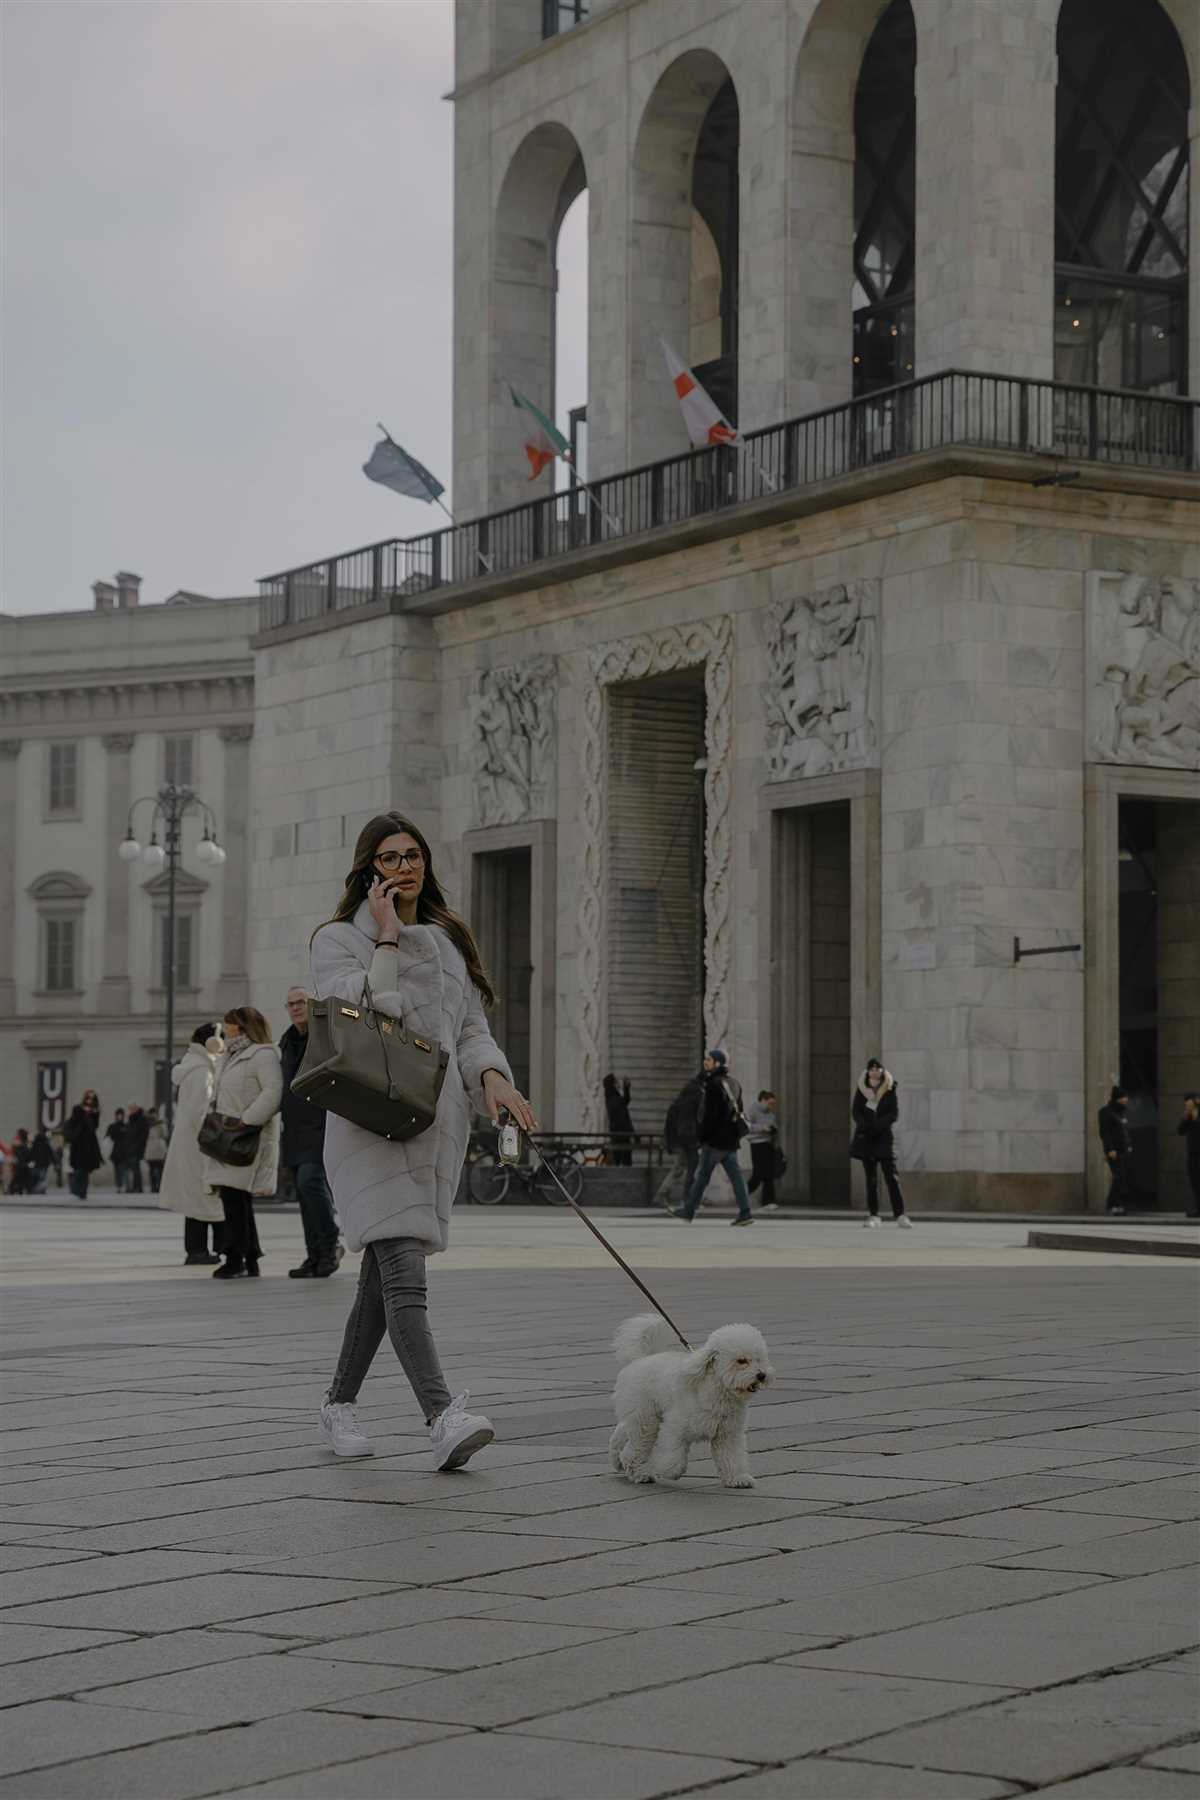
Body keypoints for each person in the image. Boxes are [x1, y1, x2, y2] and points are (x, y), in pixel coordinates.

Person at [311, 811, 534, 1470]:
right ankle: (442, 1415)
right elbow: (367, 1010)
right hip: (368, 1123)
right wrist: (385, 938)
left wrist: (494, 1079)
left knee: (381, 1281)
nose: (403, 866)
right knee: (404, 1274)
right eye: (388, 857)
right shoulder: (337, 940)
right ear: (367, 869)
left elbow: (470, 1030)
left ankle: (338, 1404)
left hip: (434, 1125)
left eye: (412, 855)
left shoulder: (447, 941)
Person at [202, 1008, 282, 1279]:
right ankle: (249, 1257)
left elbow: (273, 1092)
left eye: (230, 1023)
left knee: (235, 1198)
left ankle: (236, 1259)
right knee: (236, 1198)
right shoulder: (229, 1054)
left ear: (242, 1026)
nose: (225, 1027)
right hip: (226, 1134)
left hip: (246, 1136)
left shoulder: (263, 1054)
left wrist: (247, 1120)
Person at [279, 986, 343, 1278]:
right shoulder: (286, 1042)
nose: (295, 1008)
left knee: (311, 1182)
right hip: (294, 1128)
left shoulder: (324, 1036)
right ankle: (314, 1255)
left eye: (300, 1002)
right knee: (303, 1194)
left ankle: (331, 1243)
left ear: (311, 1005)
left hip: (321, 1123)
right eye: (290, 1004)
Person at [159, 1025, 225, 1264]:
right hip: (201, 1143)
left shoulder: (193, 1065)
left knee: (196, 1199)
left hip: (190, 1143)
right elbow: (203, 1109)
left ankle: (198, 1250)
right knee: (207, 1197)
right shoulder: (201, 1070)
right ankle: (201, 1251)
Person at [669, 1049, 753, 1226]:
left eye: (709, 1059)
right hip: (730, 1141)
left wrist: (702, 1137)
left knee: (701, 1177)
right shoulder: (734, 1083)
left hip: (714, 1142)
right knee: (736, 1178)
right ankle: (745, 1212)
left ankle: (688, 1211)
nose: (705, 1062)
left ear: (717, 1063)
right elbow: (738, 1111)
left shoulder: (713, 1085)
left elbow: (709, 1116)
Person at [851, 1059, 912, 1228]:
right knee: (870, 1179)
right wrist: (866, 1126)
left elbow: (894, 1114)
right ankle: (874, 1215)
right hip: (867, 1138)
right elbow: (856, 1112)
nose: (875, 1071)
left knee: (892, 1177)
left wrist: (878, 1125)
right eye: (871, 1068)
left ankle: (900, 1215)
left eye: (878, 1068)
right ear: (868, 1072)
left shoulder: (890, 1089)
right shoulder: (862, 1090)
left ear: (882, 1071)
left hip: (884, 1138)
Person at [655, 1069, 703, 1208]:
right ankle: (687, 1199)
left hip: (682, 1138)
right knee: (691, 1167)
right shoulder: (697, 1095)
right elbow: (696, 1119)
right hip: (690, 1138)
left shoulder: (683, 1097)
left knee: (680, 1167)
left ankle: (663, 1193)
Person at [1098, 1085, 1132, 1215]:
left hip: (1124, 1150)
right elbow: (1104, 1132)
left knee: (1122, 1178)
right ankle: (1111, 1205)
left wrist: (1129, 1145)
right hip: (1114, 1151)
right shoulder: (1105, 1112)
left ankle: (1118, 1204)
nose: (1126, 1100)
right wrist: (1110, 1149)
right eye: (1124, 1097)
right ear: (1118, 1098)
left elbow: (1125, 1131)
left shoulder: (1121, 1112)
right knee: (1118, 1176)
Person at [64, 1092, 102, 1200]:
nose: (89, 1100)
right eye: (88, 1098)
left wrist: (93, 1114)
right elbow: (74, 1123)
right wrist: (85, 1113)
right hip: (78, 1144)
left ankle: (82, 1193)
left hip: (89, 1146)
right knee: (78, 1169)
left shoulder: (94, 1112)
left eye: (92, 1098)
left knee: (85, 1170)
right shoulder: (78, 1109)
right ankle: (76, 1190)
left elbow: (94, 1127)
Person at [746, 1090, 780, 1212]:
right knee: (758, 1174)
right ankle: (743, 1193)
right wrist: (762, 1128)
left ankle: (769, 1201)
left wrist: (773, 1129)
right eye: (770, 1104)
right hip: (757, 1144)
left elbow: (773, 1125)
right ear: (763, 1100)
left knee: (768, 1173)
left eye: (773, 1104)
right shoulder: (752, 1110)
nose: (771, 1107)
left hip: (768, 1144)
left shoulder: (770, 1114)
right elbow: (746, 1126)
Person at [603, 1074, 634, 1166]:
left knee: (620, 1161)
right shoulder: (614, 1098)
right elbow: (623, 1118)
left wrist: (626, 1088)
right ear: (613, 1084)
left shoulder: (612, 1096)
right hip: (621, 1135)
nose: (618, 1082)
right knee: (625, 1162)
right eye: (616, 1081)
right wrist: (633, 1133)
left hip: (618, 1135)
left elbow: (624, 1101)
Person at [1179, 1094, 1200, 1219]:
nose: (1187, 1106)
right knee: (1195, 1183)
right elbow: (1180, 1131)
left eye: (1189, 1104)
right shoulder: (1188, 1117)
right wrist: (1186, 1118)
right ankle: (1198, 1209)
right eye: (1186, 1105)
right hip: (1192, 1154)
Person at [125, 1105, 149, 1193]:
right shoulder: (131, 1119)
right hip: (130, 1147)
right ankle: (135, 1187)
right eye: (129, 1109)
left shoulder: (141, 1119)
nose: (130, 1111)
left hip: (136, 1148)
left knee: (136, 1169)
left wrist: (136, 1146)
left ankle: (137, 1187)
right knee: (134, 1168)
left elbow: (143, 1135)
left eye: (131, 1109)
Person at [105, 1107, 130, 1192]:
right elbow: (107, 1137)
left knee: (124, 1170)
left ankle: (125, 1186)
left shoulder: (126, 1126)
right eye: (118, 1115)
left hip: (124, 1151)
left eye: (121, 1115)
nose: (120, 1117)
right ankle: (119, 1186)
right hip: (115, 1152)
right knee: (117, 1171)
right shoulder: (112, 1126)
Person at [144, 1109, 168, 1195]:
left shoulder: (153, 1124)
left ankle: (156, 1187)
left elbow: (164, 1134)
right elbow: (165, 1134)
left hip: (156, 1150)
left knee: (157, 1170)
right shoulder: (150, 1124)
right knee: (156, 1169)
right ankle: (156, 1187)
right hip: (155, 1149)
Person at [30, 1128, 54, 1195]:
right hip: (44, 1164)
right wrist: (55, 1162)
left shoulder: (35, 1144)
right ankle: (41, 1190)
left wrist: (28, 1161)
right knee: (42, 1178)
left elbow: (31, 1154)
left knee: (37, 1178)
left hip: (36, 1164)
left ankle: (36, 1190)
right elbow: (51, 1154)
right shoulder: (46, 1144)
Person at [9, 1130, 33, 1195]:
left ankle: (15, 1190)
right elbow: (28, 1156)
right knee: (22, 1179)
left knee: (18, 1179)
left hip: (19, 1165)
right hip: (22, 1165)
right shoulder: (25, 1145)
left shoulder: (18, 1146)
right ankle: (20, 1190)